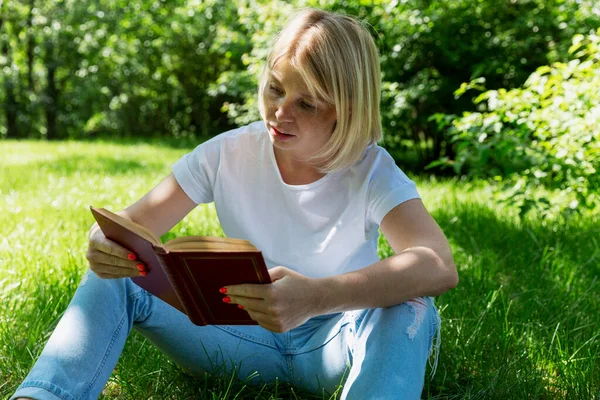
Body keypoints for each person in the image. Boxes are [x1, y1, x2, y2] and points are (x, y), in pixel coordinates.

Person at [12, 8, 458, 400]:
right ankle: (42, 396)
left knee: (411, 301)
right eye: (275, 89)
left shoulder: (372, 168)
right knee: (117, 274)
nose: (281, 112)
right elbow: (132, 225)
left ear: (346, 110)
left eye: (307, 103)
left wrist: (317, 297)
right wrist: (102, 242)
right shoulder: (228, 152)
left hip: (335, 342)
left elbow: (437, 264)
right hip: (236, 339)